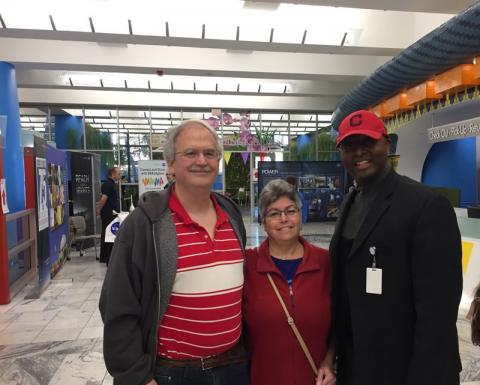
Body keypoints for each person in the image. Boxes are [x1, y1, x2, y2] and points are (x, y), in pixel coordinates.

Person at [99, 119, 249, 385]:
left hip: (233, 368)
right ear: (170, 165)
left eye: (210, 153)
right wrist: (138, 377)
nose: (202, 160)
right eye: (190, 153)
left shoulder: (232, 215)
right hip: (173, 374)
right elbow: (117, 306)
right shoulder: (145, 224)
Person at [330, 110, 463, 385]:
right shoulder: (351, 202)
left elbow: (438, 309)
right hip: (358, 362)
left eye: (367, 143)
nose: (358, 153)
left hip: (407, 366)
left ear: (387, 143)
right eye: (349, 146)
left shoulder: (425, 205)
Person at [243, 179, 335, 385]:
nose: (284, 219)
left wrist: (329, 362)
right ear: (263, 222)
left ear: (300, 216)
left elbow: (340, 324)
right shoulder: (247, 265)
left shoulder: (325, 263)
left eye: (290, 211)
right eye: (274, 214)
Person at [96, 166, 121, 264]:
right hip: (108, 214)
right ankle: (106, 256)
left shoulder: (111, 184)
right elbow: (103, 199)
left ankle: (106, 256)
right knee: (107, 235)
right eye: (118, 174)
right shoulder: (108, 185)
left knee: (108, 234)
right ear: (112, 174)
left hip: (111, 213)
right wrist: (99, 209)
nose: (120, 175)